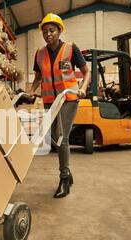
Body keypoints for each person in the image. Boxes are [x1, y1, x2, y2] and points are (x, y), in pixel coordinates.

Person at [29, 13, 91, 199]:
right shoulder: (39, 54)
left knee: (62, 137)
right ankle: (68, 172)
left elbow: (86, 71)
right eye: (45, 31)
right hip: (49, 101)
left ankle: (64, 178)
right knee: (55, 137)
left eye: (52, 30)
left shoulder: (71, 49)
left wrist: (83, 88)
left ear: (59, 31)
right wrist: (32, 90)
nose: (48, 34)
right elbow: (38, 77)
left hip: (69, 99)